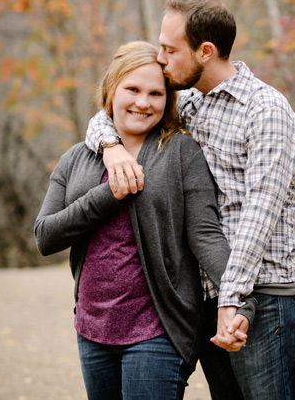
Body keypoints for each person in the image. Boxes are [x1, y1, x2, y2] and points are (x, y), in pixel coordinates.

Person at [83, 0, 295, 400]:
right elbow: (111, 110)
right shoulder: (187, 104)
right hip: (211, 299)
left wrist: (233, 298)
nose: (161, 58)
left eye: (170, 50)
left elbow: (258, 215)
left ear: (205, 52)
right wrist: (110, 146)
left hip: (265, 296)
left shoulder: (265, 109)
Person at [35, 41, 255, 400]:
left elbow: (205, 234)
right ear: (111, 89)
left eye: (156, 93)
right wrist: (109, 194)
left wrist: (241, 297)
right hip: (92, 329)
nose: (143, 102)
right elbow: (45, 236)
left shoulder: (181, 152)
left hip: (158, 329)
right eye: (133, 89)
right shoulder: (77, 158)